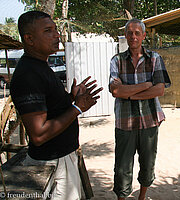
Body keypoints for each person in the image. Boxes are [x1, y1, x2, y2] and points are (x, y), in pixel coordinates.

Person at [10, 11, 102, 200]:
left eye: (55, 29)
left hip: (60, 159)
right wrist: (77, 108)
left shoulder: (40, 66)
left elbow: (50, 110)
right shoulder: (28, 75)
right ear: (29, 39)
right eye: (48, 31)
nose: (57, 35)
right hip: (52, 163)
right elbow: (38, 134)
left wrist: (70, 98)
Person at [109, 18, 171, 200]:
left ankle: (141, 198)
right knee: (122, 168)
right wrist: (146, 85)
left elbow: (159, 89)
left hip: (150, 121)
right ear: (126, 36)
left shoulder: (155, 58)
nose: (133, 36)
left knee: (147, 164)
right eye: (130, 33)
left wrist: (127, 93)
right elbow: (115, 90)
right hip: (124, 122)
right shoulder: (117, 60)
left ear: (144, 35)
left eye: (137, 33)